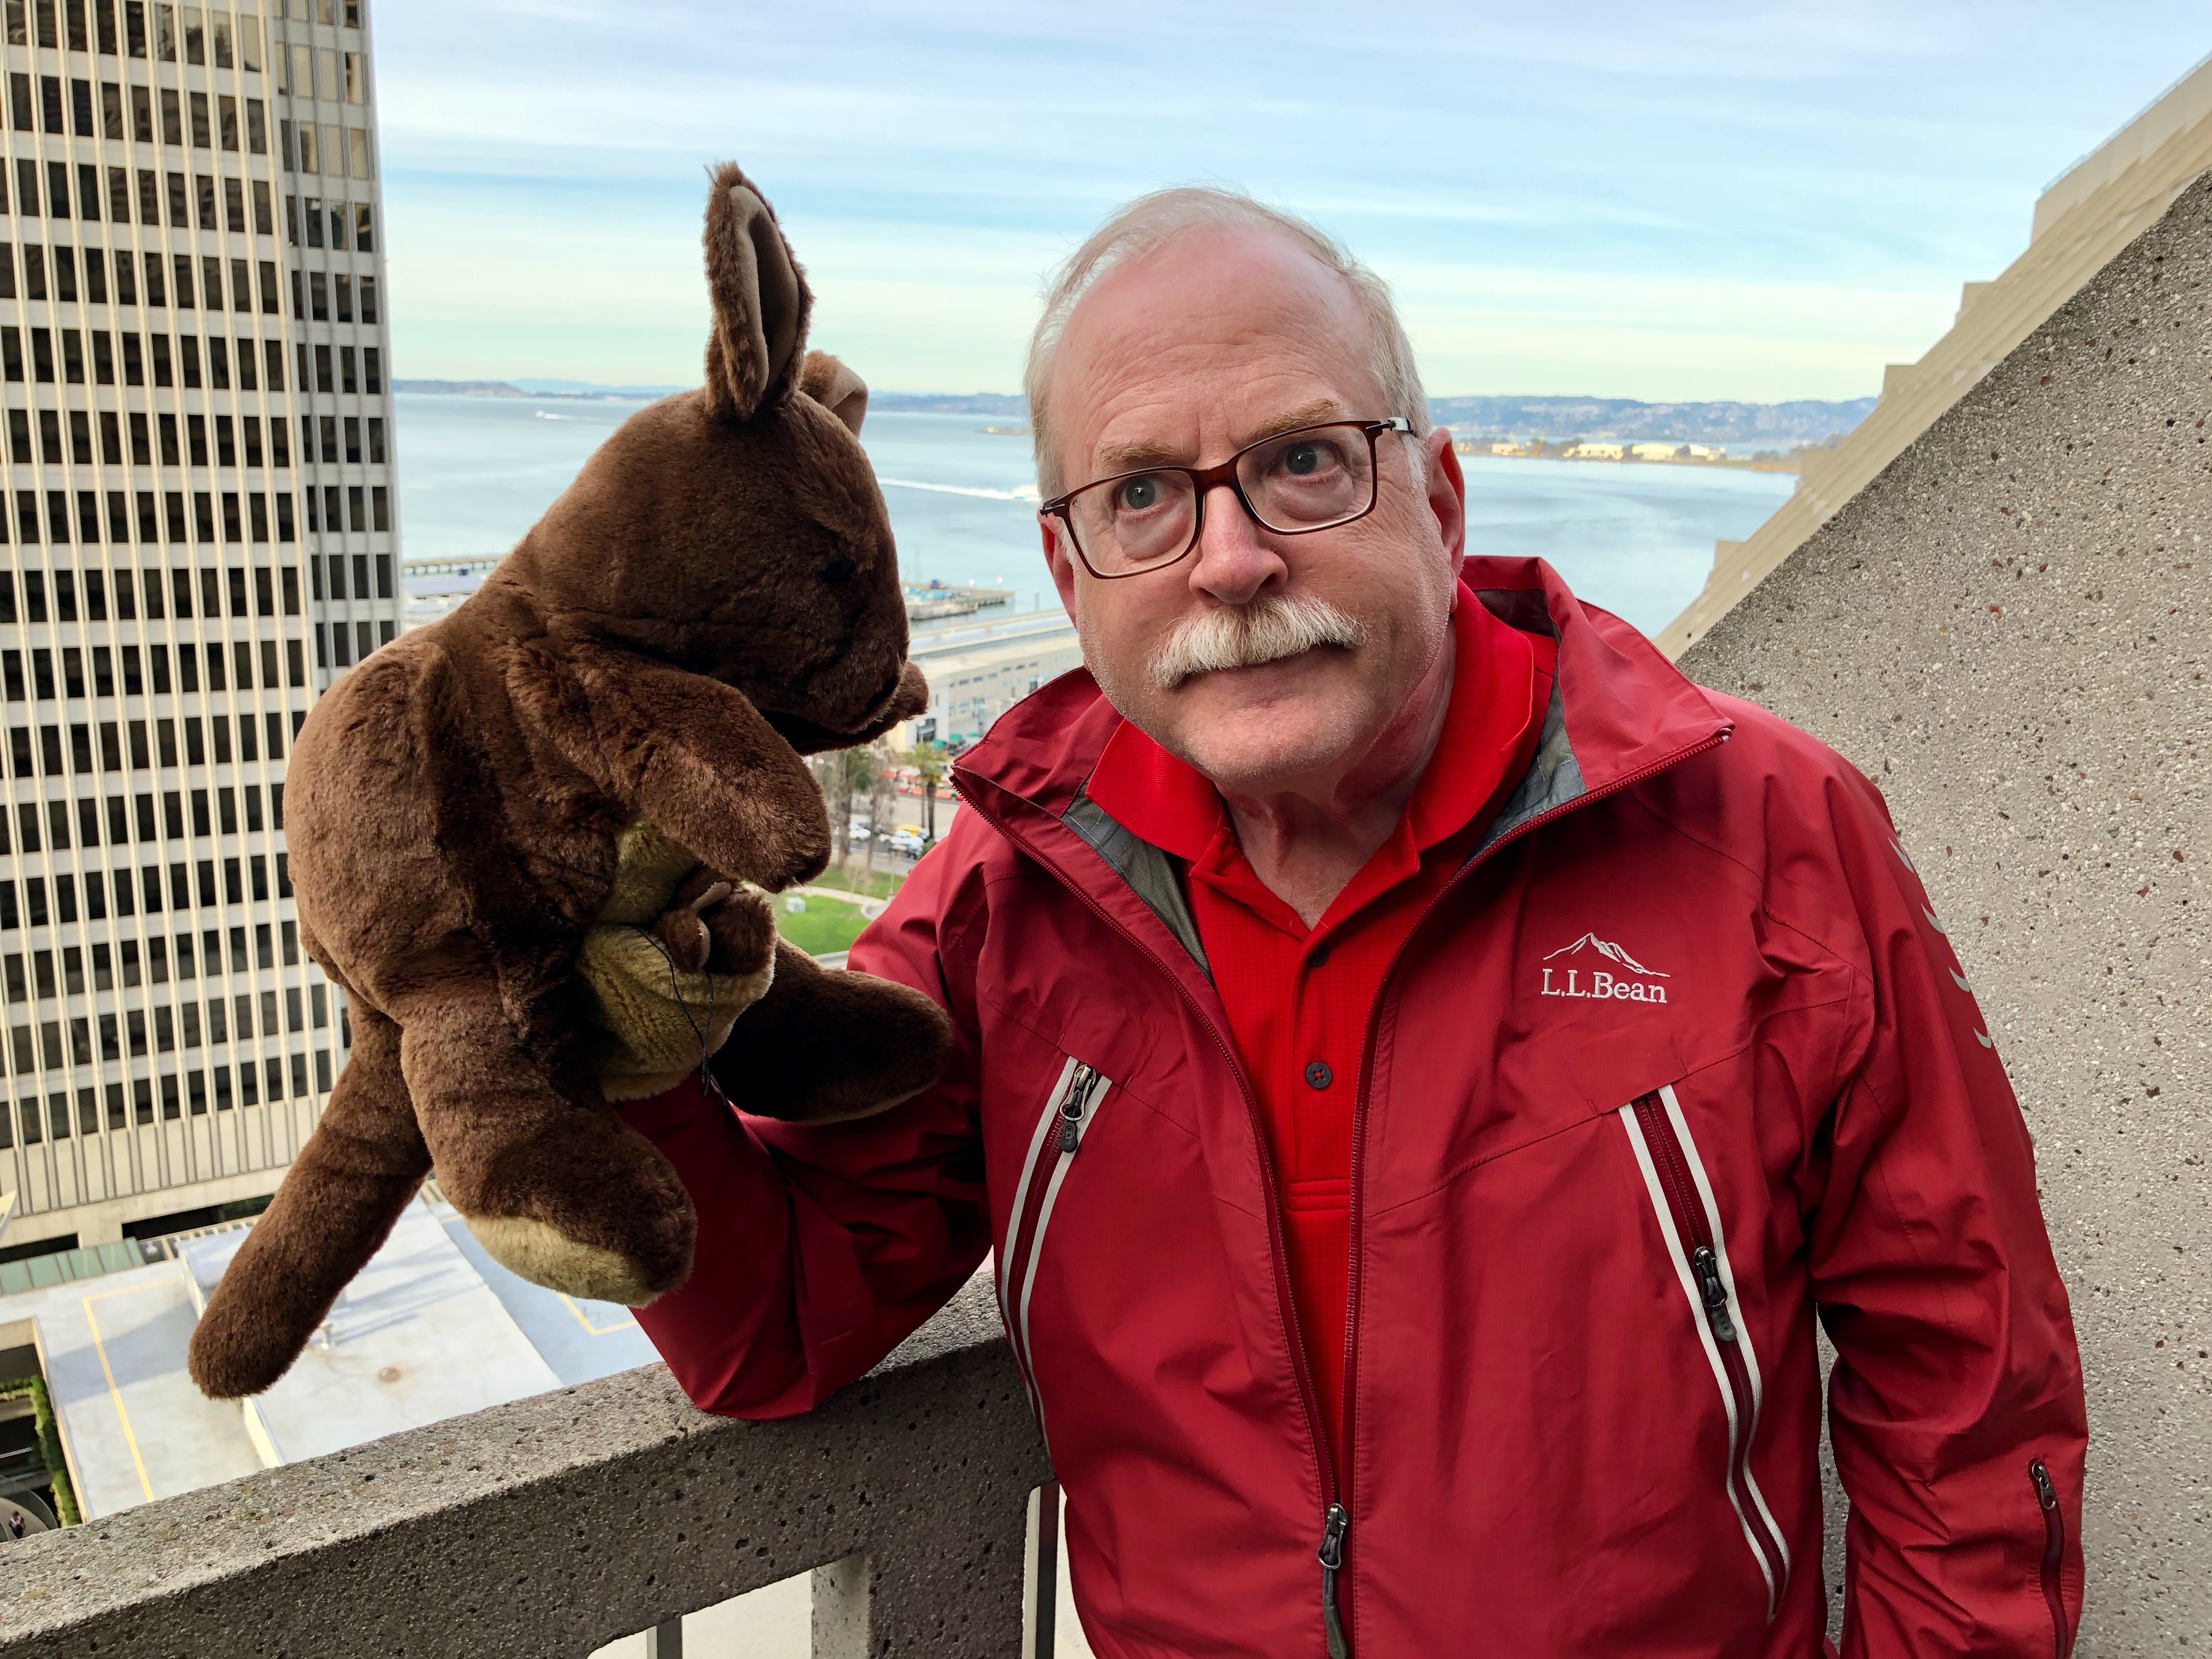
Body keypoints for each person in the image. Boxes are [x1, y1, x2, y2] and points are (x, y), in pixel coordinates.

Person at [612, 189, 2087, 1657]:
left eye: (1303, 460)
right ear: (1069, 577)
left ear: (1437, 502)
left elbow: (1969, 1387)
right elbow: (775, 1323)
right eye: (1141, 495)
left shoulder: (1764, 832)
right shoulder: (1009, 895)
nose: (1230, 558)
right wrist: (612, 1011)